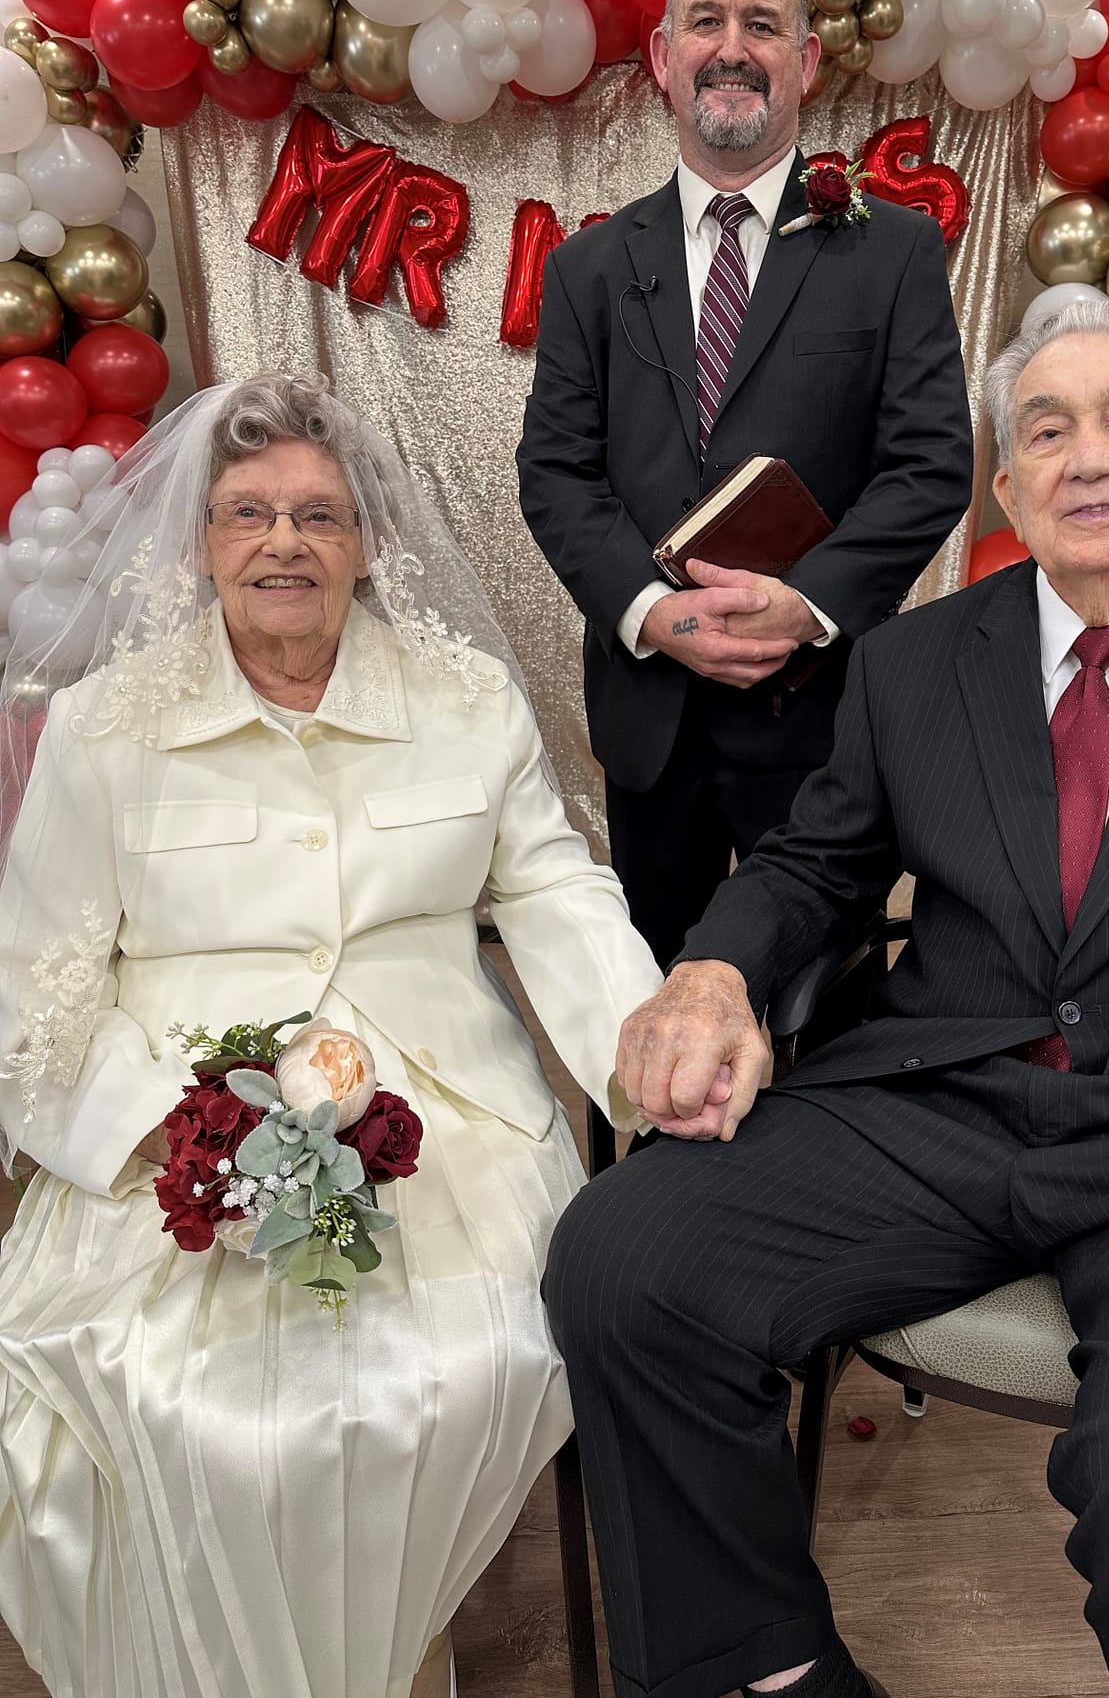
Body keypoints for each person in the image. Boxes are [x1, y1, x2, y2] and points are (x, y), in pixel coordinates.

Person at [544, 298, 1109, 1698]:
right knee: (622, 1256)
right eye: (1045, 428)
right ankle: (772, 1669)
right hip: (938, 1104)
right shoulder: (907, 665)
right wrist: (716, 971)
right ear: (1006, 485)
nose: (1089, 456)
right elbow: (815, 864)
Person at [0, 373, 666, 1698]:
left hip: (452, 1125)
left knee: (468, 1369)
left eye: (319, 515)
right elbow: (34, 977)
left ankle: (390, 1645)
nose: (284, 543)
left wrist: (642, 1043)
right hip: (171, 1130)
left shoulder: (467, 698)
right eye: (248, 513)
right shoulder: (104, 724)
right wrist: (167, 1134)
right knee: (145, 1400)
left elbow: (549, 888)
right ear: (201, 540)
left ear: (369, 543)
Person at [517, 0, 971, 966]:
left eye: (761, 25)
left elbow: (930, 462)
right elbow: (556, 471)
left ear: (806, 62)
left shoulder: (893, 252)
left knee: (826, 1017)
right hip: (650, 725)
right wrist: (654, 611)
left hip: (821, 725)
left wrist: (806, 605)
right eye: (706, 23)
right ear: (664, 58)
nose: (732, 47)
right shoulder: (589, 266)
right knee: (656, 1023)